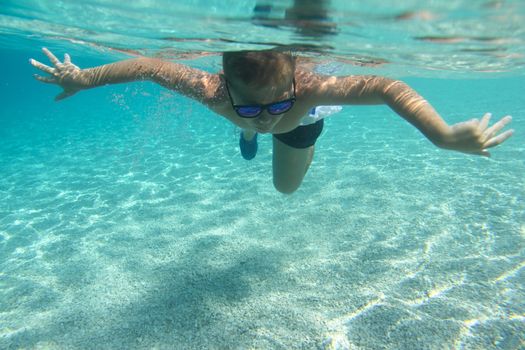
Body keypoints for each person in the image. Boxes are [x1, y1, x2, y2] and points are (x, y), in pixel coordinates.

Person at [30, 48, 514, 194]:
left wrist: (442, 134)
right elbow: (148, 66)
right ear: (225, 88)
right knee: (254, 129)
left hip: (303, 125)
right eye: (249, 107)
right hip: (253, 111)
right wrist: (85, 78)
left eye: (274, 105)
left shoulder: (310, 91)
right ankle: (240, 129)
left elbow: (387, 88)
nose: (265, 117)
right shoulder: (210, 90)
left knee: (286, 190)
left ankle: (260, 128)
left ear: (293, 89)